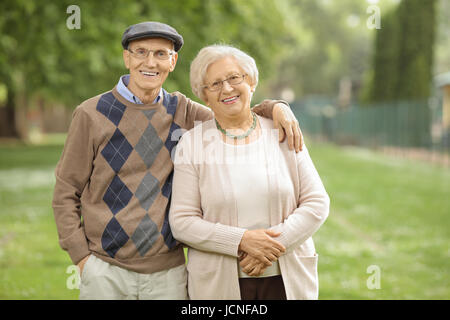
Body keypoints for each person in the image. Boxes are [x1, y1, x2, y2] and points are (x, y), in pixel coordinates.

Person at [52, 22, 303, 300]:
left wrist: (276, 107)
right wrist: (82, 259)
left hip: (168, 273)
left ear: (173, 61)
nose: (150, 62)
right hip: (105, 270)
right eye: (141, 52)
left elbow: (235, 109)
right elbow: (65, 192)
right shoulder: (91, 114)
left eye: (161, 54)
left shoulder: (182, 110)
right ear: (127, 58)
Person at [169, 44, 330, 300]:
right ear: (204, 96)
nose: (227, 88)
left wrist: (273, 247)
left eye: (234, 77)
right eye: (215, 84)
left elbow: (317, 203)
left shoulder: (283, 130)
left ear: (251, 81)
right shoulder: (192, 143)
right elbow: (182, 222)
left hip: (287, 281)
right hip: (219, 285)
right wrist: (241, 241)